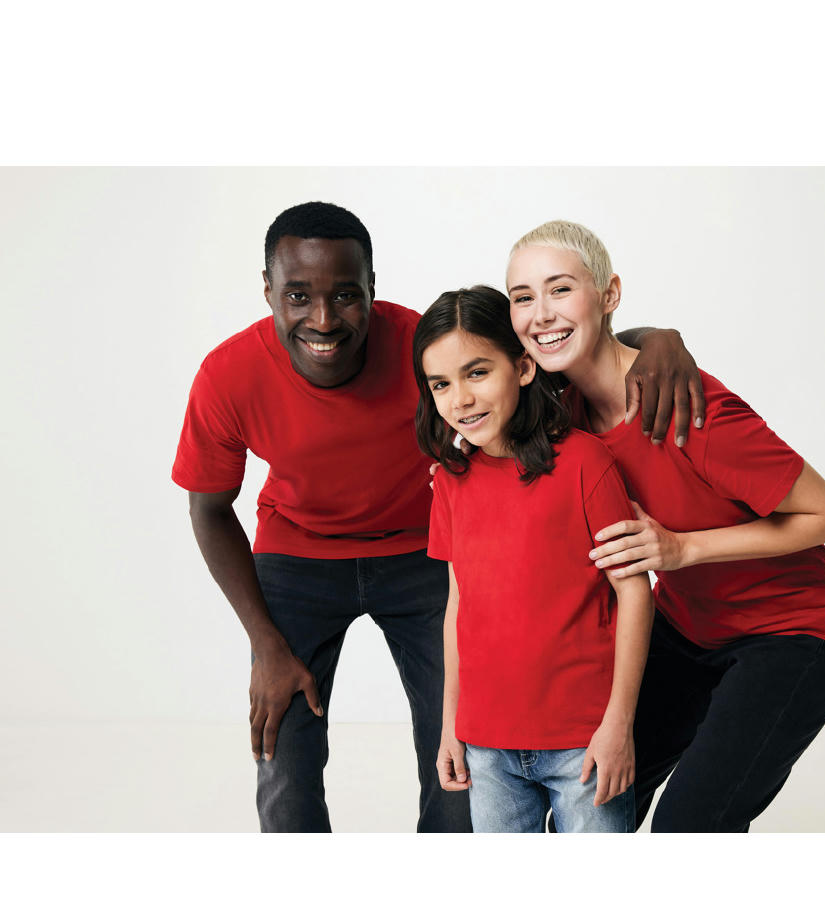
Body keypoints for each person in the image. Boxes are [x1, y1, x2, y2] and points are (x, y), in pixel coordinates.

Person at [171, 201, 699, 833]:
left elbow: (540, 346)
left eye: (345, 295)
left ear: (372, 288)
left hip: (420, 549)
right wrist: (264, 643)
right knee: (283, 753)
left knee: (461, 764)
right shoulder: (228, 374)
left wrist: (657, 339)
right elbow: (209, 508)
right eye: (297, 296)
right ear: (268, 292)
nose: (323, 319)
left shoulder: (423, 348)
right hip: (299, 555)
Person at [506, 220, 825, 832]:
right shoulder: (563, 411)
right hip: (688, 628)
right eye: (522, 297)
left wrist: (681, 549)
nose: (541, 314)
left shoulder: (688, 408)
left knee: (690, 827)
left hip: (794, 632)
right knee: (589, 800)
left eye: (560, 289)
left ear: (609, 294)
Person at [415, 286, 653, 832]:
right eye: (441, 384)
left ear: (524, 368)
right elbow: (458, 606)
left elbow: (635, 593)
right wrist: (451, 724)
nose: (460, 399)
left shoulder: (586, 462)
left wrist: (619, 724)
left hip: (583, 741)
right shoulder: (449, 481)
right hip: (486, 745)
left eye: (477, 373)